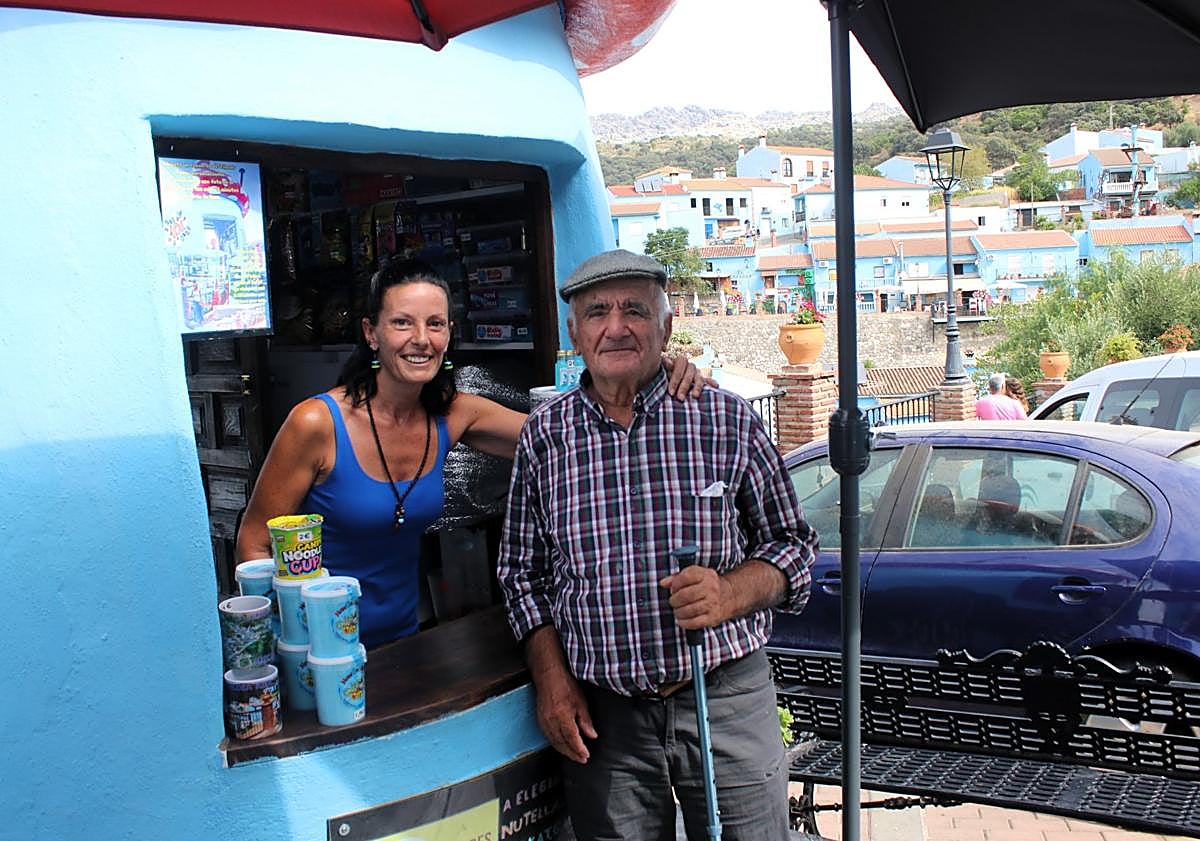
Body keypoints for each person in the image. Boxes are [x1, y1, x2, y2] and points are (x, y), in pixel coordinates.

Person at [497, 248, 819, 840]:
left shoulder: (724, 419)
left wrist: (729, 592)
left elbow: (794, 546)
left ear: (666, 325)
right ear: (574, 331)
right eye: (597, 312)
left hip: (725, 699)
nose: (615, 327)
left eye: (634, 311)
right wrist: (552, 680)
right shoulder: (545, 437)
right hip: (605, 717)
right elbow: (522, 576)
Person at [236, 258, 706, 648]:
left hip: (403, 642)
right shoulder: (317, 424)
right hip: (315, 651)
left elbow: (572, 436)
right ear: (372, 333)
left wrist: (653, 367)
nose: (421, 339)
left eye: (435, 324)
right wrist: (285, 643)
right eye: (402, 322)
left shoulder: (454, 414)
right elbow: (253, 545)